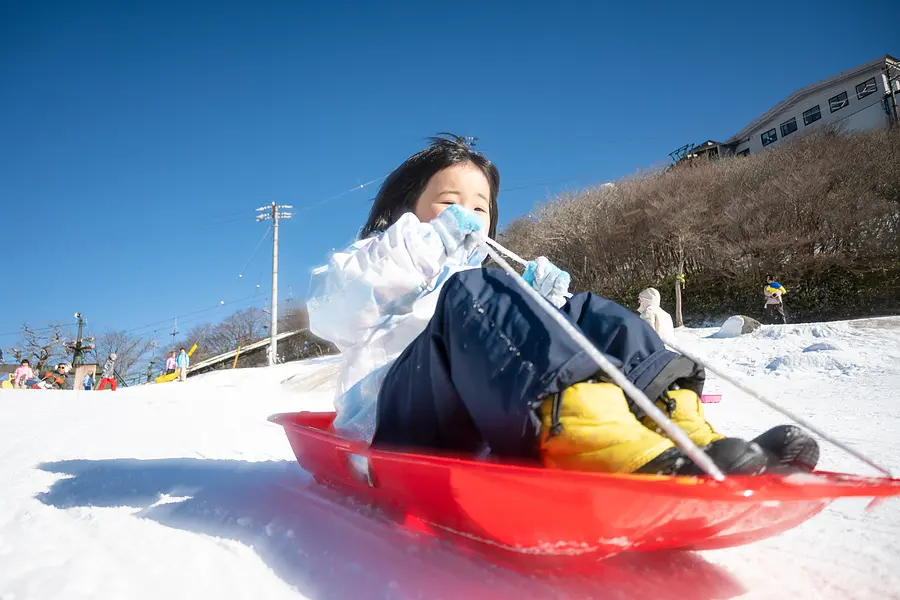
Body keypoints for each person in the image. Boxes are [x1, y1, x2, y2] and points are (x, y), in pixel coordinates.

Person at [307, 134, 817, 477]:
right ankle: (599, 442)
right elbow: (334, 314)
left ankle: (684, 430)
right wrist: (424, 245)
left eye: (480, 206)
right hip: (390, 420)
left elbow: (523, 347)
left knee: (589, 312)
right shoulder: (374, 258)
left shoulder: (484, 286)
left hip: (478, 417)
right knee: (474, 297)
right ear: (407, 209)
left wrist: (544, 302)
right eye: (449, 201)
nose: (467, 214)